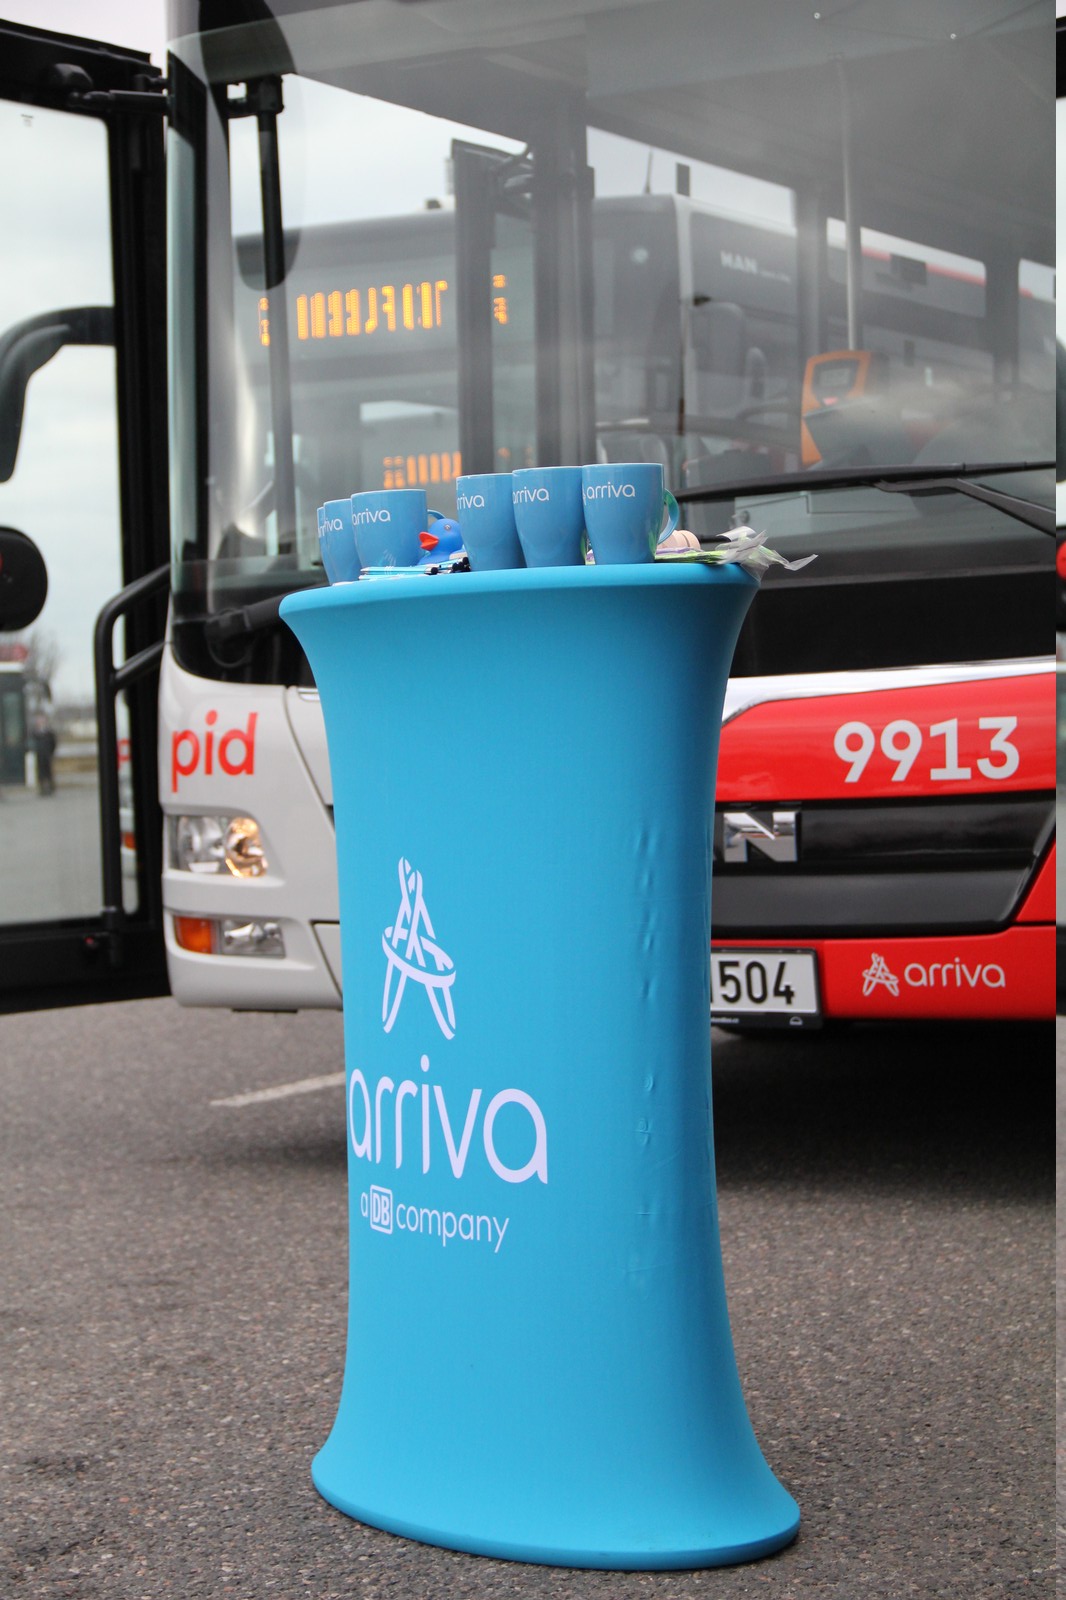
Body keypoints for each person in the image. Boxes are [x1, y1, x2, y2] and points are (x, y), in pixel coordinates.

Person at [31, 713, 56, 795]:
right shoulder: (34, 733)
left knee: (48, 772)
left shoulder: (49, 733)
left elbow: (53, 743)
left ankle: (50, 787)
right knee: (40, 773)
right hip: (39, 756)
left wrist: (51, 752)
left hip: (47, 755)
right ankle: (42, 789)